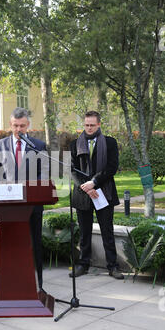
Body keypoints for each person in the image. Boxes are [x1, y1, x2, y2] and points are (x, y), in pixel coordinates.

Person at [0, 107, 49, 292]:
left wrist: (29, 186)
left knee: (34, 243)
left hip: (33, 206)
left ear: (28, 125)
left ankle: (38, 285)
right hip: (9, 207)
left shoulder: (38, 146)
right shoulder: (1, 145)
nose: (18, 129)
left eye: (22, 126)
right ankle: (13, 285)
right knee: (12, 246)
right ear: (10, 125)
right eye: (15, 126)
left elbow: (45, 173)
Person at [70, 110, 124, 279]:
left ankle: (112, 266)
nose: (89, 128)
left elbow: (112, 167)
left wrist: (94, 183)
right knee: (84, 232)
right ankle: (83, 264)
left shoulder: (110, 143)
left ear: (99, 124)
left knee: (107, 231)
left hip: (104, 192)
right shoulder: (74, 144)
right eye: (86, 125)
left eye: (92, 125)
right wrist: (86, 187)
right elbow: (72, 170)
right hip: (82, 194)